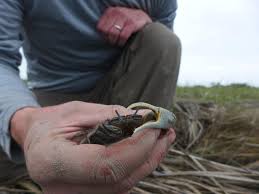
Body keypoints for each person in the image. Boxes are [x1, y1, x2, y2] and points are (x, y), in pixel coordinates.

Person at [0, 1, 181, 193]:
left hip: (122, 90)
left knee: (161, 38)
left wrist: (149, 22)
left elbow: (162, 64)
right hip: (49, 100)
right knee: (19, 157)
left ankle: (139, 156)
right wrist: (26, 124)